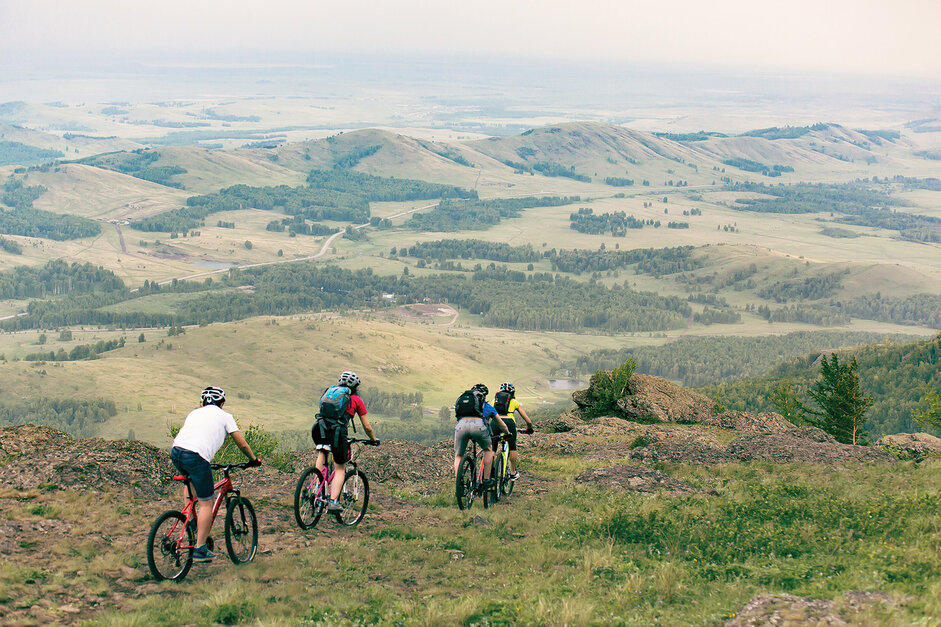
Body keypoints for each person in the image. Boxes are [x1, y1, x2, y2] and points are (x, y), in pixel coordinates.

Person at [170, 386, 260, 563]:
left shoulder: (194, 413)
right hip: (195, 456)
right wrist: (253, 459)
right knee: (206, 502)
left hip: (176, 452)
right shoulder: (225, 417)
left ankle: (190, 522)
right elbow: (241, 443)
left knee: (190, 484)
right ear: (222, 402)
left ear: (203, 402)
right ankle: (200, 549)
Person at [313, 371, 377, 513]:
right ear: (356, 387)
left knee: (322, 453)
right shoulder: (355, 400)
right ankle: (333, 502)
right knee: (340, 468)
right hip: (337, 433)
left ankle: (316, 488)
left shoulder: (329, 392)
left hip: (319, 428)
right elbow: (367, 427)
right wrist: (373, 439)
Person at [453, 383, 509, 485]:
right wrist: (507, 433)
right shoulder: (486, 406)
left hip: (461, 426)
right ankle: (486, 479)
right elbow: (501, 424)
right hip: (478, 427)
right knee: (488, 450)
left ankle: (459, 483)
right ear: (484, 396)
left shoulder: (465, 405)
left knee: (458, 455)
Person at [492, 382, 535, 481]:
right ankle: (512, 472)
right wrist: (529, 428)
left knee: (492, 448)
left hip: (495, 423)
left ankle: (491, 472)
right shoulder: (514, 402)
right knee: (512, 447)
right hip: (509, 423)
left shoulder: (494, 401)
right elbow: (527, 420)